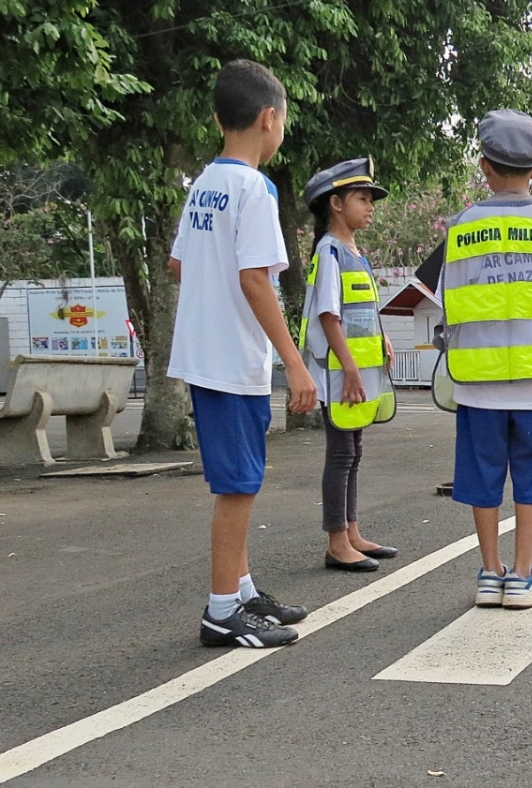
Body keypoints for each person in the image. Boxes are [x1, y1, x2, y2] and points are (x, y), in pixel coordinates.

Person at [167, 59, 317, 648]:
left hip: (208, 354)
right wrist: (295, 361)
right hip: (232, 360)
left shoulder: (204, 183)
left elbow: (181, 264)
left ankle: (243, 589)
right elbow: (257, 279)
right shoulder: (254, 188)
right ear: (269, 119)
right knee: (238, 486)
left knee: (241, 480)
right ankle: (222, 610)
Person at [436, 109, 532, 609]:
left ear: (484, 166)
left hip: (478, 380)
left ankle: (488, 571)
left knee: (482, 474)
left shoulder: (461, 228)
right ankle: (523, 575)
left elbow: (446, 300)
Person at [299, 158, 399, 573]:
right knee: (341, 453)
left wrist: (383, 338)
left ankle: (352, 533)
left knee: (353, 452)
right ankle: (337, 541)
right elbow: (328, 316)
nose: (370, 206)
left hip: (354, 372)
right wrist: (352, 370)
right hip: (338, 374)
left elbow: (360, 312)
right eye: (362, 198)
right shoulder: (330, 251)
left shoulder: (356, 253)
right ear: (336, 204)